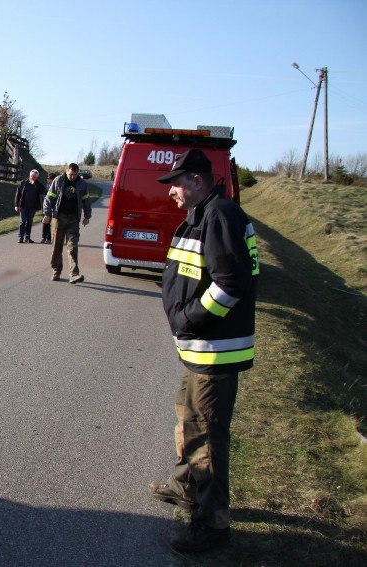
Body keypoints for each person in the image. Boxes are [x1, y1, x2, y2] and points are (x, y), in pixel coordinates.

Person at [149, 148, 259, 553]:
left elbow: (231, 283)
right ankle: (186, 486)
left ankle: (212, 525)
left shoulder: (219, 215)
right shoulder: (205, 215)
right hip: (200, 350)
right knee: (188, 422)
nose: (171, 192)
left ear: (197, 180)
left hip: (215, 351)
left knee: (207, 438)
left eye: (176, 183)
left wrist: (189, 317)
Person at [43, 163, 91, 282]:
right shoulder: (58, 180)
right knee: (56, 247)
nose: (72, 177)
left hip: (73, 219)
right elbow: (49, 198)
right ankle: (56, 271)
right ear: (66, 171)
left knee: (72, 247)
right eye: (70, 174)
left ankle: (74, 274)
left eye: (75, 174)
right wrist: (47, 214)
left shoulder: (82, 184)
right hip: (58, 218)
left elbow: (86, 200)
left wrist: (87, 216)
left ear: (78, 173)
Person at [14, 169, 45, 243]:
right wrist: (16, 205)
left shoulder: (38, 184)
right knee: (22, 221)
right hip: (23, 206)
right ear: (29, 175)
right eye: (32, 176)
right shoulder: (23, 183)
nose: (32, 177)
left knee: (29, 222)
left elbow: (43, 191)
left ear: (37, 177)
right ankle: (20, 237)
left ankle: (27, 237)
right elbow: (18, 194)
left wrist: (35, 183)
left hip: (33, 207)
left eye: (34, 176)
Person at [40, 172, 56, 243]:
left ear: (53, 179)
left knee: (51, 223)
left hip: (53, 207)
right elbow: (44, 194)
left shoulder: (56, 187)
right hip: (45, 207)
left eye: (49, 179)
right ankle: (43, 237)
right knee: (45, 222)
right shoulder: (47, 186)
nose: (47, 180)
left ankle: (48, 238)